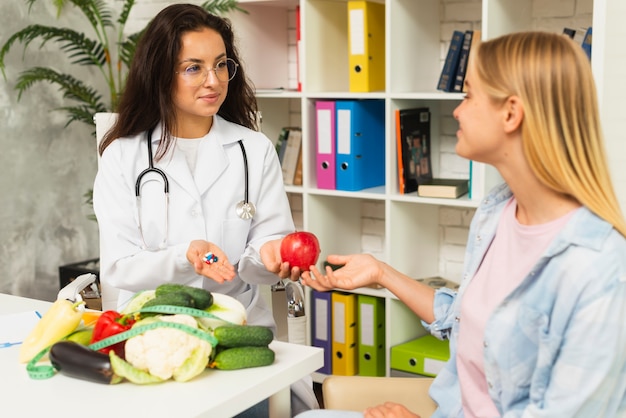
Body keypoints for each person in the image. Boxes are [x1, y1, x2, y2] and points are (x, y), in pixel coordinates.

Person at [298, 31, 626, 418]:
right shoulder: (497, 213)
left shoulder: (599, 267)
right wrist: (380, 272)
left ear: (511, 113)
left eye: (469, 95)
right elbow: (468, 322)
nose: (457, 110)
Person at [92, 3, 318, 415]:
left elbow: (261, 251)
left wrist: (270, 254)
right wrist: (186, 256)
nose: (212, 81)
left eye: (220, 65)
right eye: (193, 68)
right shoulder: (122, 157)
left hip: (237, 333)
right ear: (161, 74)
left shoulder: (254, 150)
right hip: (156, 339)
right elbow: (119, 267)